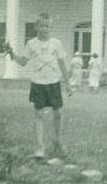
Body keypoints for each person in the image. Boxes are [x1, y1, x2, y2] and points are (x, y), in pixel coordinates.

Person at [4, 13, 72, 160]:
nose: (44, 28)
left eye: (47, 26)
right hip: (38, 84)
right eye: (41, 25)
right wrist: (12, 53)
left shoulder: (56, 43)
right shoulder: (31, 44)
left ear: (51, 27)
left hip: (54, 83)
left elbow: (62, 63)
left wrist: (68, 83)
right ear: (36, 27)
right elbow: (23, 62)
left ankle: (58, 142)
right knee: (39, 115)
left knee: (58, 114)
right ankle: (40, 148)